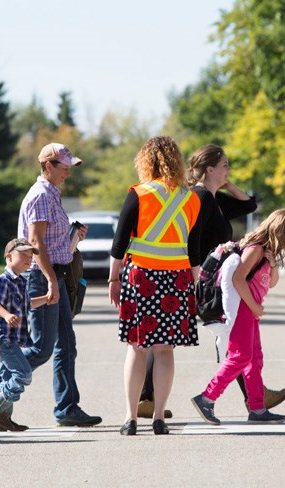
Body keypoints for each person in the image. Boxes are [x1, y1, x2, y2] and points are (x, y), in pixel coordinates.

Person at [136, 144, 285, 418]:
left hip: (210, 277)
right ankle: (148, 397)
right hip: (202, 279)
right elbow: (192, 239)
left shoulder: (213, 199)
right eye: (224, 165)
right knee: (167, 338)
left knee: (227, 336)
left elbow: (249, 204)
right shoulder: (200, 198)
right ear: (209, 169)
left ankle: (255, 396)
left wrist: (226, 183)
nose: (228, 169)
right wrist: (195, 275)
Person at [0, 143, 102, 428]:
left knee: (66, 344)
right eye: (63, 166)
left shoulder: (52, 195)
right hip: (44, 276)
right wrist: (52, 281)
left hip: (57, 274)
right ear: (47, 166)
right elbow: (36, 242)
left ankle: (67, 407)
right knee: (41, 348)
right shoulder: (41, 195)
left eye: (70, 166)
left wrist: (73, 239)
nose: (68, 171)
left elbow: (51, 242)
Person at [108, 135, 201, 436]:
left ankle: (130, 418)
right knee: (165, 350)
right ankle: (160, 416)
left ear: (145, 161)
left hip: (142, 279)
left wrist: (113, 278)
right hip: (177, 279)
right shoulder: (190, 199)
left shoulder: (138, 193)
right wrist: (196, 286)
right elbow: (194, 249)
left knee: (137, 349)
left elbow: (120, 242)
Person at [191, 209, 285, 425]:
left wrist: (272, 264)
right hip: (242, 308)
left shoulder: (266, 252)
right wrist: (254, 306)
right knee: (240, 356)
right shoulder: (255, 249)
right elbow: (238, 279)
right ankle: (206, 398)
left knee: (254, 358)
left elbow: (271, 283)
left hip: (251, 310)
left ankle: (257, 408)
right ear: (282, 232)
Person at [0, 238, 48, 431]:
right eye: (24, 255)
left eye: (30, 256)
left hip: (12, 339)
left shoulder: (20, 282)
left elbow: (28, 304)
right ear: (9, 257)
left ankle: (4, 420)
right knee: (23, 373)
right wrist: (7, 314)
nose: (28, 259)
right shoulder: (3, 280)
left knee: (7, 377)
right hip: (3, 338)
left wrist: (46, 299)